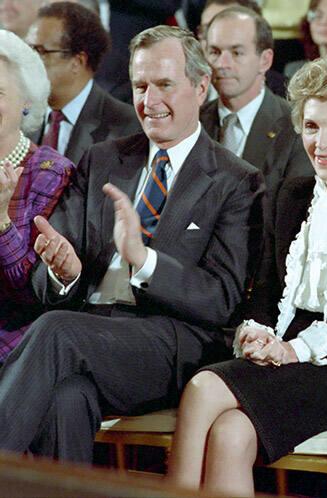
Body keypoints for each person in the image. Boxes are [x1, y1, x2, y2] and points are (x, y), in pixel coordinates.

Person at [0, 25, 264, 464]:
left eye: (164, 84)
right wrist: (64, 271)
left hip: (171, 344)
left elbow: (221, 301)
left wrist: (145, 262)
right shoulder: (103, 158)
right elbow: (53, 273)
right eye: (141, 86)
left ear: (200, 88)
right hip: (91, 332)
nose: (149, 100)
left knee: (56, 330)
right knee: (67, 398)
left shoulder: (236, 180)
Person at [167, 53, 327, 497]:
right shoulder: (291, 193)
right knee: (232, 434)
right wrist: (257, 333)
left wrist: (296, 350)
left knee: (203, 388)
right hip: (284, 351)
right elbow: (266, 290)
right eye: (312, 126)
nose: (321, 142)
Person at [0, 30, 75, 362]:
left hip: (16, 344)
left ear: (27, 100)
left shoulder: (50, 172)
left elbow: (33, 291)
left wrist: (1, 221)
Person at [200, 6, 312, 215]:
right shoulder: (193, 122)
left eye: (236, 52)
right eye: (215, 52)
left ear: (265, 60)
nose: (222, 64)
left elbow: (291, 217)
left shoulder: (296, 127)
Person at [26, 2, 140, 165]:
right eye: (28, 49)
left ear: (77, 61)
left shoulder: (126, 129)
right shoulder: (21, 117)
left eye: (40, 51)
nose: (29, 60)